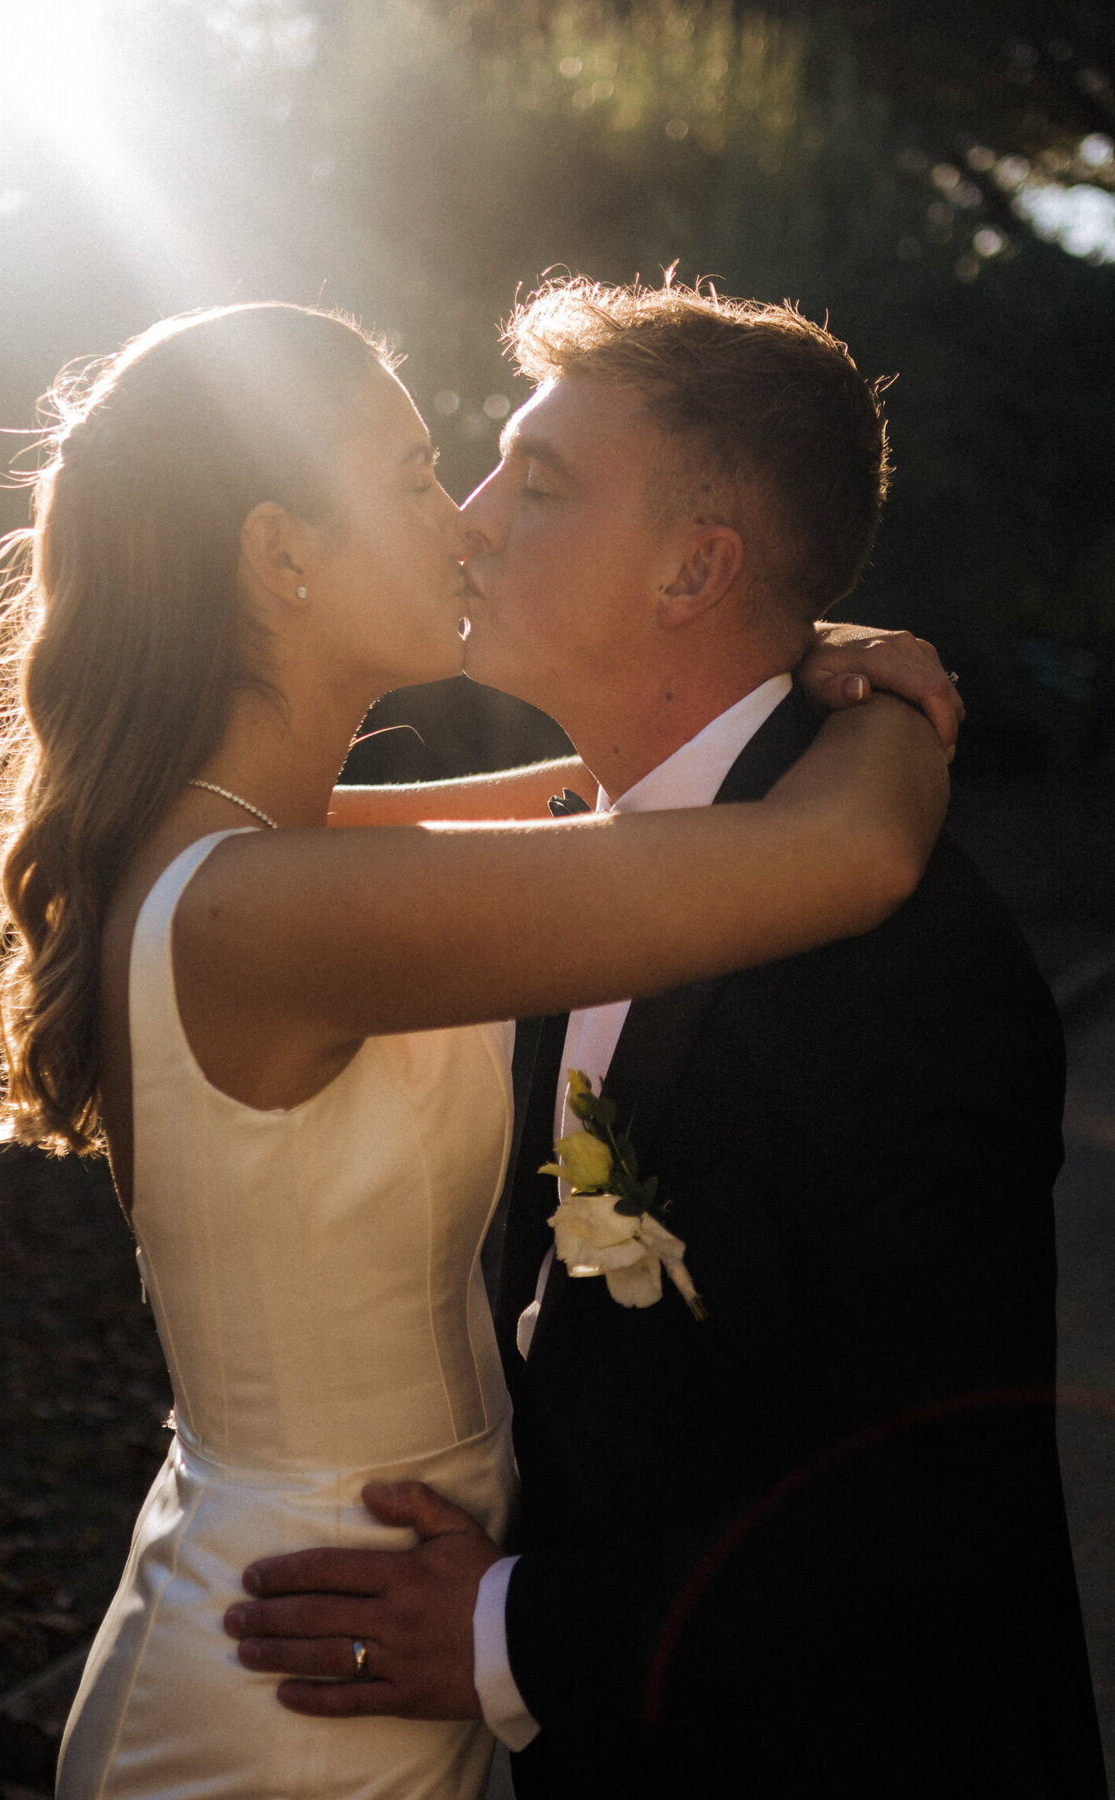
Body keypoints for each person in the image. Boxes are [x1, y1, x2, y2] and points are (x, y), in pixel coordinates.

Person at [0, 298, 950, 1800]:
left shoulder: (254, 852)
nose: (464, 528)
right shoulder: (270, 909)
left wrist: (802, 653)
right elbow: (850, 853)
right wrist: (894, 699)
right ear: (282, 557)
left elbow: (589, 805)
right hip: (294, 1682)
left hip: (371, 1614)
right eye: (412, 480)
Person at [223, 282, 1108, 1799]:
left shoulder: (899, 962)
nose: (474, 520)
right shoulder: (601, 874)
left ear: (699, 568)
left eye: (541, 481)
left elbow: (934, 1508)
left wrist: (515, 1628)